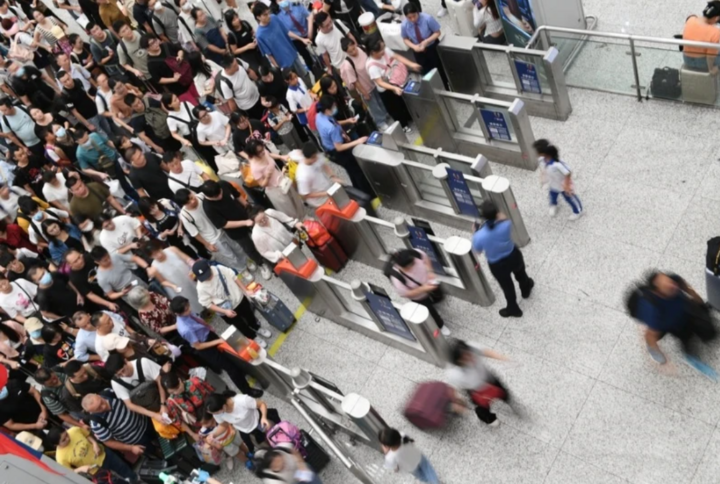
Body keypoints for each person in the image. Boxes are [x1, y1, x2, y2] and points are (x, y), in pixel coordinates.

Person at [170, 295, 263, 397]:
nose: (189, 309)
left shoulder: (187, 313)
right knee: (231, 369)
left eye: (188, 306)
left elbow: (199, 322)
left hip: (210, 336)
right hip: (206, 348)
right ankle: (247, 391)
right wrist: (218, 341)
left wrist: (212, 332)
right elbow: (198, 346)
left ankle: (244, 373)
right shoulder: (185, 329)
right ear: (177, 314)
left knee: (233, 356)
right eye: (185, 310)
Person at [633, 272, 718, 379]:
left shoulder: (675, 280)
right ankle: (689, 355)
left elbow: (689, 290)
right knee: (686, 337)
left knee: (710, 333)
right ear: (658, 293)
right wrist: (658, 354)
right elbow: (650, 336)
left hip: (686, 310)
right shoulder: (654, 313)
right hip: (674, 325)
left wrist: (702, 305)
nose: (674, 286)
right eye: (669, 288)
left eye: (671, 282)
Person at [472, 200, 533, 317]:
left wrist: (474, 232)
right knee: (521, 273)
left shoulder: (479, 236)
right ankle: (526, 289)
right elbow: (503, 217)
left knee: (507, 286)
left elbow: (478, 251)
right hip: (513, 255)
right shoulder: (506, 224)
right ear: (496, 213)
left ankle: (513, 309)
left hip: (497, 264)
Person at [192, 259, 272, 346]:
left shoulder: (219, 269)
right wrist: (225, 312)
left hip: (239, 299)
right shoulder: (201, 287)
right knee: (239, 325)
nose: (207, 278)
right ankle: (253, 337)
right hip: (226, 310)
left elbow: (234, 277)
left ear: (209, 267)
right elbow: (207, 304)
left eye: (208, 274)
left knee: (249, 315)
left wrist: (245, 291)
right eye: (204, 277)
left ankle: (257, 327)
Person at [201, 180, 270, 277]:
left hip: (246, 215)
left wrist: (247, 206)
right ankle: (261, 264)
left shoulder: (223, 184)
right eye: (217, 197)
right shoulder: (208, 207)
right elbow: (224, 224)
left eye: (220, 192)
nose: (220, 196)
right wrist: (245, 223)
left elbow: (237, 195)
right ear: (208, 196)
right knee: (249, 248)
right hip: (235, 230)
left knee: (263, 235)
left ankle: (271, 253)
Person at [176, 188, 250, 269]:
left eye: (191, 198)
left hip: (223, 228)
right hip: (213, 238)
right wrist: (207, 244)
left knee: (237, 247)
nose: (192, 201)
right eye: (188, 202)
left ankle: (247, 261)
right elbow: (195, 233)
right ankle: (241, 269)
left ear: (191, 192)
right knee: (229, 255)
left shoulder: (202, 196)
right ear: (183, 205)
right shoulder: (185, 216)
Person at [314, 95, 374, 196]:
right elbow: (339, 147)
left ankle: (358, 190)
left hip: (331, 145)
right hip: (338, 151)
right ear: (327, 109)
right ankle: (368, 195)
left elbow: (334, 122)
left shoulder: (320, 116)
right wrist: (358, 141)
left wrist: (345, 126)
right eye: (333, 107)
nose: (335, 108)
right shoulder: (331, 128)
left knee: (351, 170)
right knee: (356, 171)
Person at [446, 339, 513, 426]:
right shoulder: (454, 373)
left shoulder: (471, 347)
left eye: (468, 353)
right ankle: (488, 418)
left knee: (503, 391)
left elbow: (485, 351)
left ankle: (506, 398)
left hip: (488, 377)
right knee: (483, 406)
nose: (469, 358)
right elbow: (456, 388)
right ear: (457, 361)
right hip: (476, 390)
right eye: (464, 358)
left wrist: (502, 358)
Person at [385, 249, 450, 336]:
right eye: (408, 267)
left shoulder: (416, 253)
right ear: (401, 267)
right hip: (419, 296)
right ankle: (440, 325)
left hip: (430, 282)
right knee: (430, 312)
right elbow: (405, 293)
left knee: (439, 296)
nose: (412, 267)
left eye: (413, 263)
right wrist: (423, 289)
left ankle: (434, 302)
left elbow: (426, 259)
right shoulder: (396, 277)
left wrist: (430, 272)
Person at [366, 40, 420, 133]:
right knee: (394, 108)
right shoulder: (372, 66)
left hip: (395, 81)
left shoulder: (384, 50)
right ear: (373, 52)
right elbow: (380, 82)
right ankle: (403, 125)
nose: (384, 51)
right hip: (386, 89)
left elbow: (397, 56)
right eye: (381, 50)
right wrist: (394, 88)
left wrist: (411, 64)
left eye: (383, 47)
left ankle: (409, 117)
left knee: (402, 102)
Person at [47, 427, 137, 480]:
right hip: (96, 470)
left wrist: (94, 443)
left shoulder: (74, 430)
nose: (68, 438)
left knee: (124, 469)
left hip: (104, 454)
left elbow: (87, 435)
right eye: (63, 440)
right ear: (56, 445)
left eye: (66, 434)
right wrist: (80, 469)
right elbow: (69, 473)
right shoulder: (61, 457)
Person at [205, 390, 279, 454]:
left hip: (259, 421)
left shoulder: (242, 400)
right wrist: (214, 435)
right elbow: (224, 425)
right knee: (265, 444)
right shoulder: (217, 414)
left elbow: (261, 404)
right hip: (247, 431)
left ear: (223, 407)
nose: (214, 415)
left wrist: (264, 417)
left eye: (215, 413)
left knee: (277, 436)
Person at [82, 392, 155, 457]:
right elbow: (109, 442)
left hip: (147, 422)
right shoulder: (96, 423)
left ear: (98, 395)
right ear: (91, 411)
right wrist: (131, 448)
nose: (103, 407)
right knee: (156, 453)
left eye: (101, 402)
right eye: (98, 409)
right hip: (137, 439)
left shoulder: (110, 393)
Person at [339, 38, 389, 130]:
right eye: (350, 52)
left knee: (381, 101)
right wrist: (364, 93)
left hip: (375, 81)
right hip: (366, 88)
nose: (354, 52)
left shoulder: (362, 48)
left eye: (354, 48)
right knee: (374, 106)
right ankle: (380, 122)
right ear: (346, 52)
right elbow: (354, 81)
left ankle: (386, 115)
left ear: (355, 44)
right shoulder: (348, 64)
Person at [252, 3, 309, 84]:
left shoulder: (274, 18)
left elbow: (287, 32)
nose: (268, 16)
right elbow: (269, 55)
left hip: (292, 54)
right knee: (295, 83)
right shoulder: (260, 35)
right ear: (258, 17)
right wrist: (278, 68)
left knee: (305, 76)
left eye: (268, 12)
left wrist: (302, 39)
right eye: (265, 15)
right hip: (284, 65)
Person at [104, 352, 169, 422]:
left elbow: (160, 381)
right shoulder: (116, 382)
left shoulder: (143, 363)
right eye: (119, 375)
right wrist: (154, 415)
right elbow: (129, 404)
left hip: (164, 396)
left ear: (126, 361)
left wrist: (163, 404)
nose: (124, 375)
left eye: (123, 370)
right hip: (149, 408)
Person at [143, 238, 202, 312]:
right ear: (151, 257)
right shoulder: (154, 267)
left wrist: (193, 268)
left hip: (190, 276)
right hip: (178, 285)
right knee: (191, 302)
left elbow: (187, 259)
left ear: (160, 247)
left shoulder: (172, 250)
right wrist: (173, 286)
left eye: (158, 251)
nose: (159, 255)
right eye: (154, 255)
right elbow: (163, 281)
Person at [534, 139, 584, 220]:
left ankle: (578, 211)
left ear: (545, 153)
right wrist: (544, 180)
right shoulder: (542, 160)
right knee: (552, 195)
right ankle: (553, 204)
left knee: (570, 199)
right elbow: (543, 170)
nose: (536, 153)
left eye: (537, 151)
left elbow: (568, 173)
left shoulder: (557, 164)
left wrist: (567, 185)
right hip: (553, 184)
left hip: (563, 186)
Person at [400, 3, 447, 87]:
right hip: (418, 50)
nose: (412, 19)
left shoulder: (427, 19)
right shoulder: (404, 25)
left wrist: (427, 41)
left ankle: (444, 86)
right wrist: (414, 46)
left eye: (414, 16)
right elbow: (405, 39)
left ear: (417, 12)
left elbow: (437, 32)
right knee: (425, 71)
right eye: (409, 17)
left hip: (431, 47)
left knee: (439, 69)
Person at [58, 69, 112, 138]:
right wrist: (87, 124)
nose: (68, 82)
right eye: (64, 82)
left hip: (96, 109)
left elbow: (85, 93)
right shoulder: (65, 95)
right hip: (88, 117)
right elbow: (75, 112)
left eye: (68, 79)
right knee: (103, 136)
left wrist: (93, 99)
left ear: (69, 75)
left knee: (108, 128)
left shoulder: (78, 81)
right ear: (61, 83)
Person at [294, 142, 340, 209]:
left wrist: (332, 176)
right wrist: (326, 193)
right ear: (310, 158)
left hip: (327, 190)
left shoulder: (316, 157)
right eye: (314, 157)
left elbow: (324, 164)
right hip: (320, 201)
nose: (317, 158)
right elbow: (305, 195)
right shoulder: (302, 175)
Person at [217, 55, 264, 120]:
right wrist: (237, 114)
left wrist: (259, 82)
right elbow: (231, 101)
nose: (237, 67)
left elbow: (249, 71)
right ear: (227, 69)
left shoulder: (238, 62)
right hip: (248, 106)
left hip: (258, 95)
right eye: (234, 66)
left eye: (236, 64)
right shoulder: (225, 83)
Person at [682, 1, 720, 73]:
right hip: (702, 63)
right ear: (717, 18)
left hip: (687, 59)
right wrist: (711, 69)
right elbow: (710, 56)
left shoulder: (691, 19)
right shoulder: (715, 32)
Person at [276, 0, 314, 69]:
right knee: (306, 56)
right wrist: (302, 39)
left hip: (308, 30)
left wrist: (310, 33)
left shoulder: (296, 5)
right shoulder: (278, 16)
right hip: (296, 38)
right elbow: (287, 32)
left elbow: (309, 16)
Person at [225, 9, 264, 74]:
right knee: (257, 71)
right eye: (234, 20)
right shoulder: (232, 35)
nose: (237, 20)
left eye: (237, 17)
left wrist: (255, 39)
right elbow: (235, 51)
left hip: (257, 50)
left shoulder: (245, 23)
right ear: (230, 23)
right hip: (247, 56)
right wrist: (247, 47)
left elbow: (253, 33)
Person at [256, 446, 322, 484]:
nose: (284, 465)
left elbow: (296, 454)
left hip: (299, 471)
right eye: (277, 466)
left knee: (311, 477)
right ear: (270, 469)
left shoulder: (281, 449)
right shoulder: (272, 481)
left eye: (282, 461)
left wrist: (301, 466)